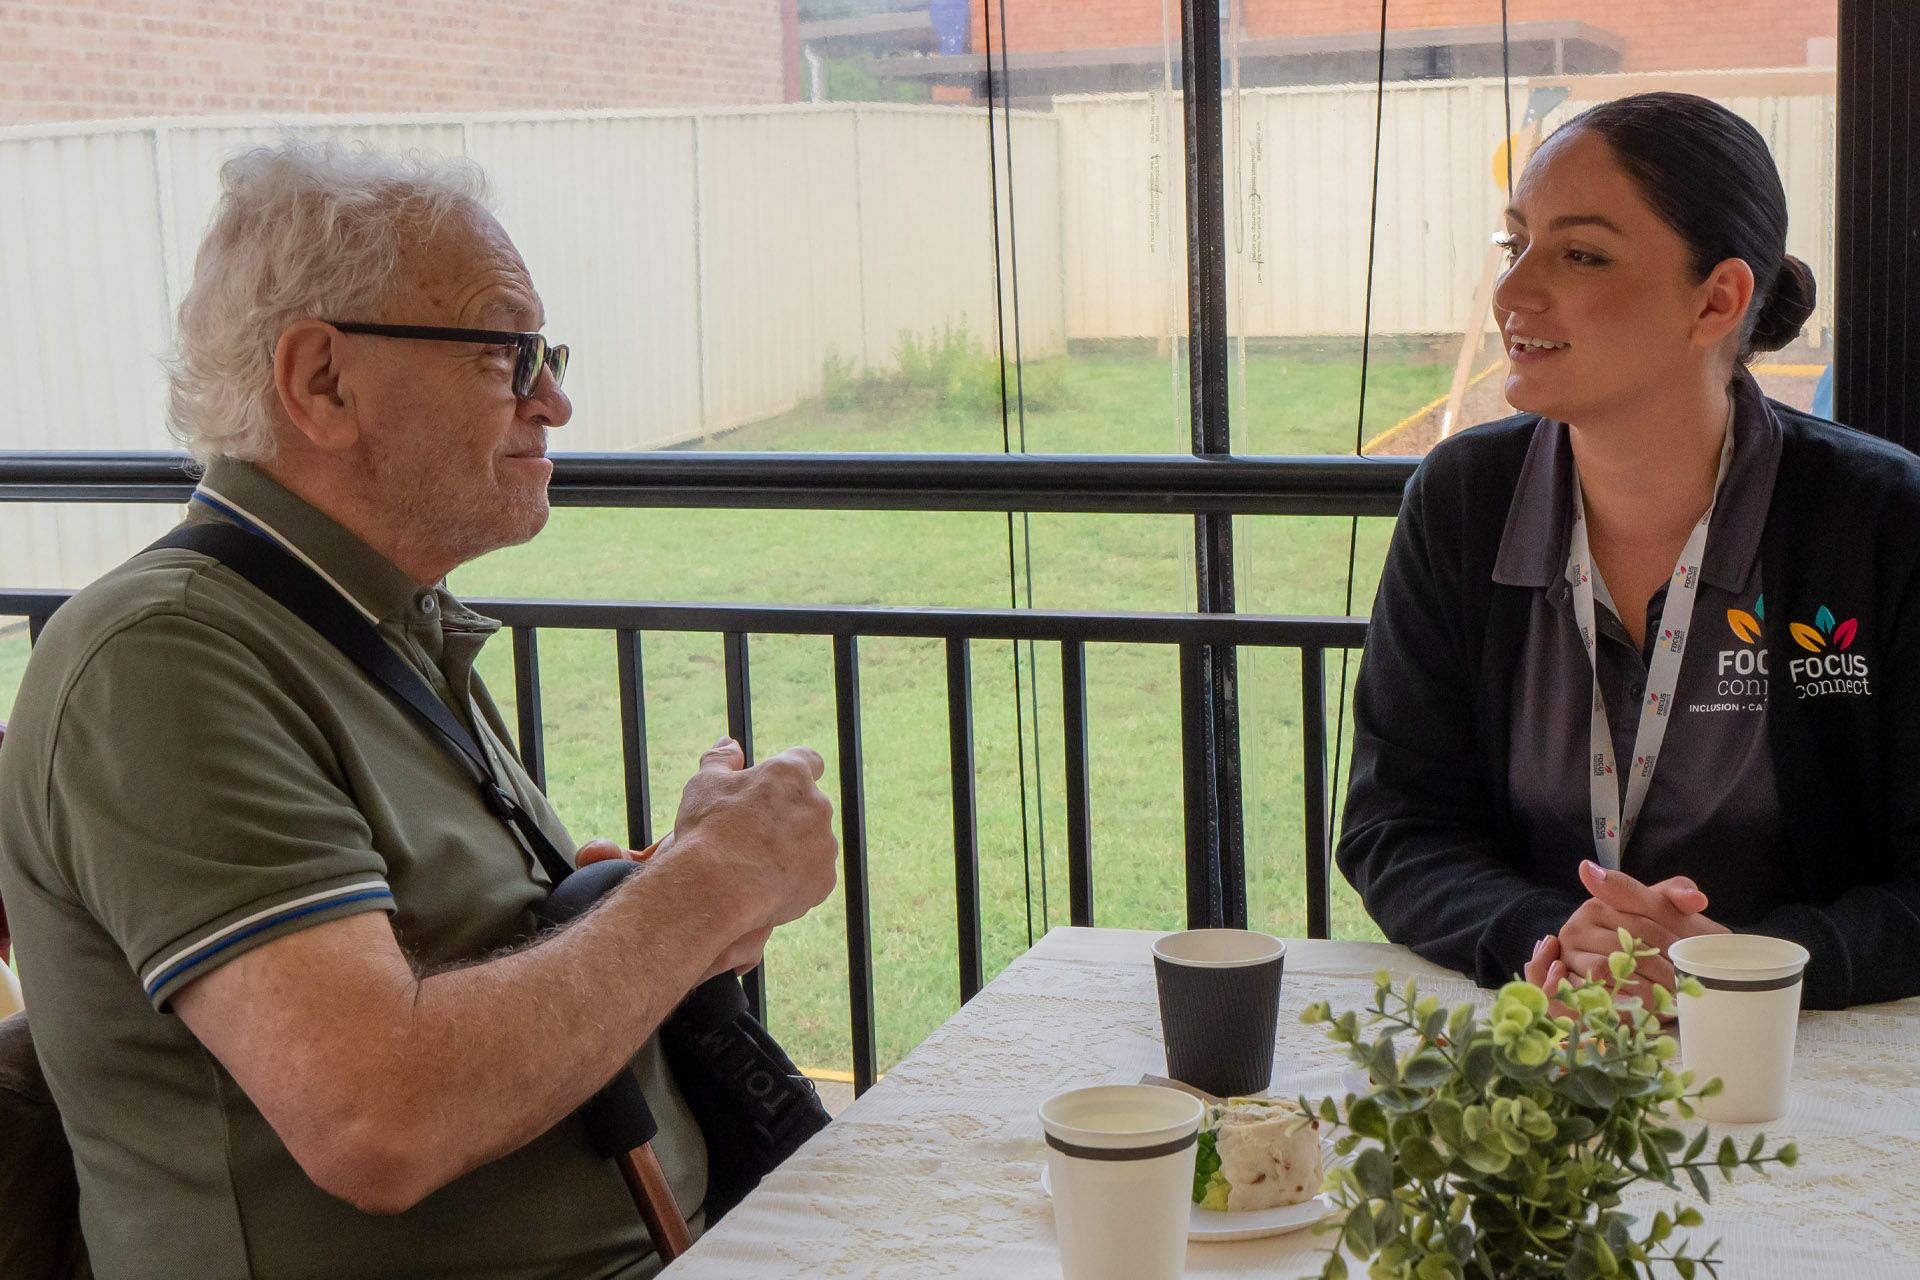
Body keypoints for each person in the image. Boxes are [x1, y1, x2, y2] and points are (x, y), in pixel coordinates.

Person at [0, 140, 840, 1279]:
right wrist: (708, 885)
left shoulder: (356, 614)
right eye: (508, 352)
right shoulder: (166, 659)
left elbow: (454, 957)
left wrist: (650, 895)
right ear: (323, 383)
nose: (555, 397)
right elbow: (378, 1116)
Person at [1336, 92, 1920, 1012]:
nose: (1513, 293)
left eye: (1579, 254)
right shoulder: (1462, 501)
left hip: (1809, 1054)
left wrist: (1753, 963)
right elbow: (1395, 826)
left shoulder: (1883, 518)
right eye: (1513, 243)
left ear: (1717, 300)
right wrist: (1555, 934)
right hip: (1545, 1041)